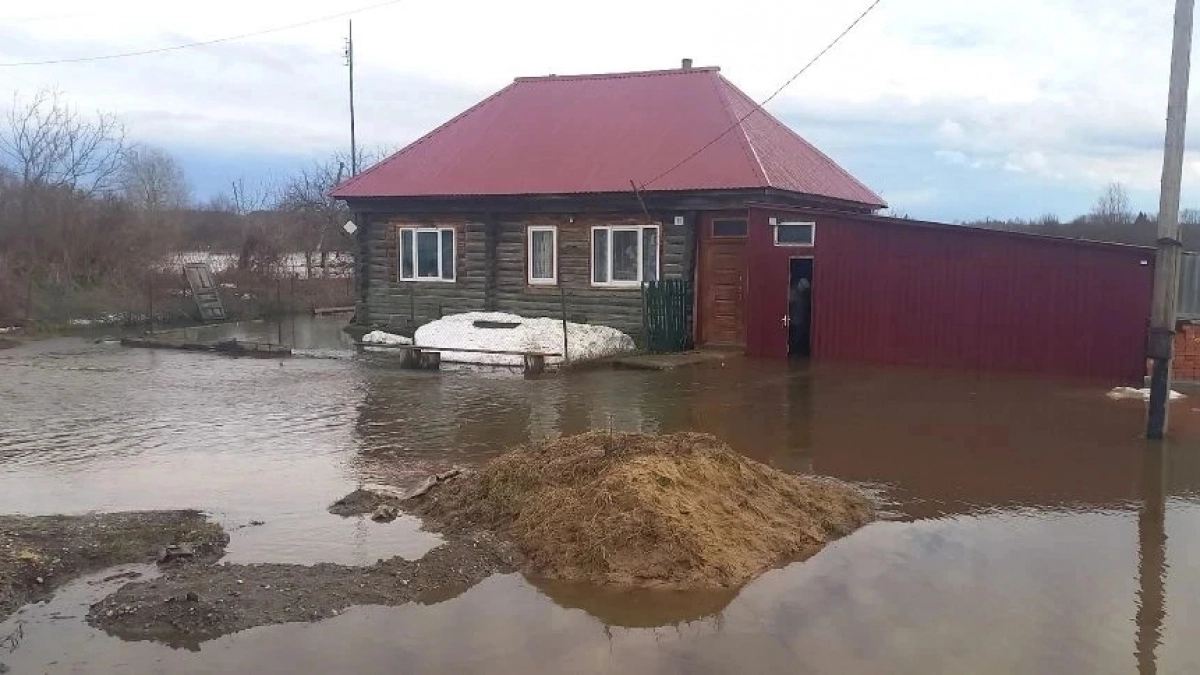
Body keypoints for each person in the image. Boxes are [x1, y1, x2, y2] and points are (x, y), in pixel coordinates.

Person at [788, 278, 811, 356]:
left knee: (798, 337)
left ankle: (795, 352)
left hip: (801, 320)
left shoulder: (803, 295)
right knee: (795, 337)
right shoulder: (794, 292)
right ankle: (792, 352)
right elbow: (788, 301)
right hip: (794, 319)